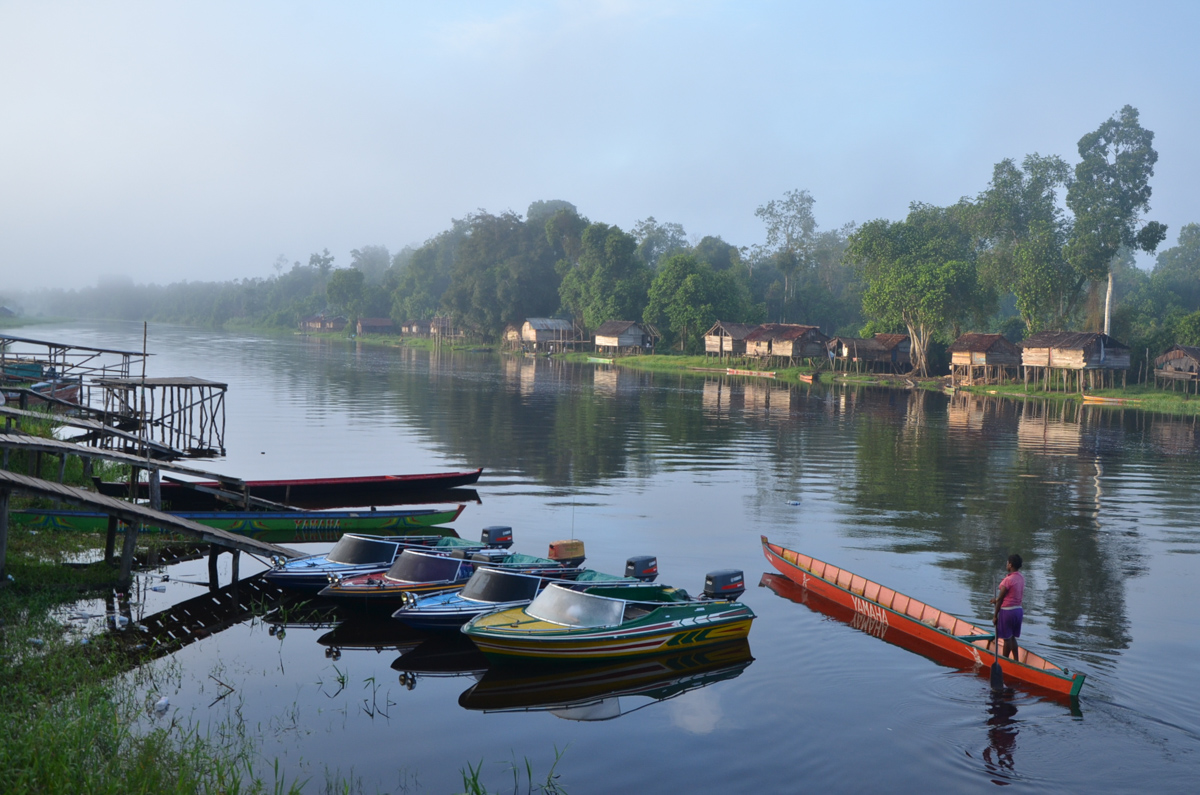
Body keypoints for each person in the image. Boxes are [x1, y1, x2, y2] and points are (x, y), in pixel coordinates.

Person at [990, 554, 1024, 660]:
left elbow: (1000, 599)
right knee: (1012, 637)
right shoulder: (1021, 578)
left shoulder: (1007, 581)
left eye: (1007, 563)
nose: (1006, 565)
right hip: (1018, 611)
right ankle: (1017, 661)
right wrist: (996, 600)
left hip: (1008, 612)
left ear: (1010, 564)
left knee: (1006, 639)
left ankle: (1004, 661)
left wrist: (995, 616)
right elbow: (1011, 595)